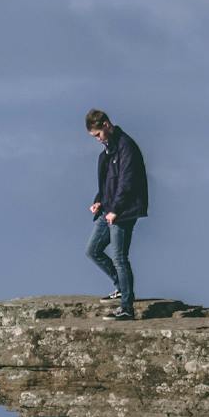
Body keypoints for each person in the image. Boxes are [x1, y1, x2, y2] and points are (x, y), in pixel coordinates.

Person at [84, 108, 149, 320]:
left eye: (97, 135)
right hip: (109, 209)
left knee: (120, 258)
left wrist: (115, 210)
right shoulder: (108, 150)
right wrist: (98, 202)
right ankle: (120, 287)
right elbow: (107, 184)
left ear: (106, 125)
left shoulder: (126, 147)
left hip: (124, 212)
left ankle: (127, 307)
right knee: (93, 250)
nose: (97, 139)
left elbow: (127, 183)